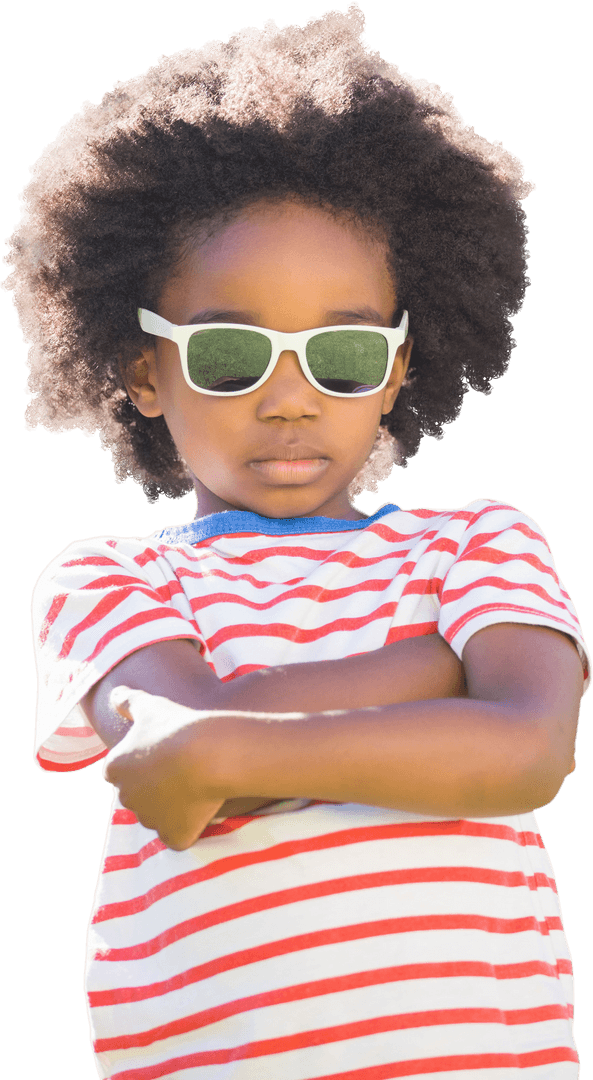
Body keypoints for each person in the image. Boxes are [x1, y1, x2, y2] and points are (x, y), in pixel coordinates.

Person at [4, 4, 589, 1078]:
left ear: (400, 368)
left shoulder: (476, 543)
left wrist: (234, 749)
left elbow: (528, 751)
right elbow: (176, 752)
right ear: (144, 373)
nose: (288, 399)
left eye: (344, 354)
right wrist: (439, 672)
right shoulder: (106, 576)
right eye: (231, 354)